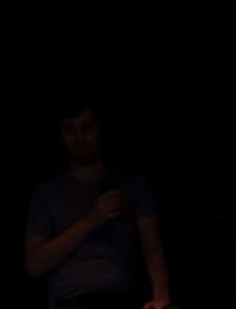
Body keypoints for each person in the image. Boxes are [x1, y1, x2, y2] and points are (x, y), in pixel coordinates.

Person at [25, 103, 172, 309]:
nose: (80, 138)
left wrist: (161, 297)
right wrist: (92, 219)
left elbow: (152, 245)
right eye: (70, 130)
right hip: (69, 301)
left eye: (86, 127)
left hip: (120, 299)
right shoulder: (45, 194)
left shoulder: (131, 186)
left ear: (100, 127)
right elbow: (34, 264)